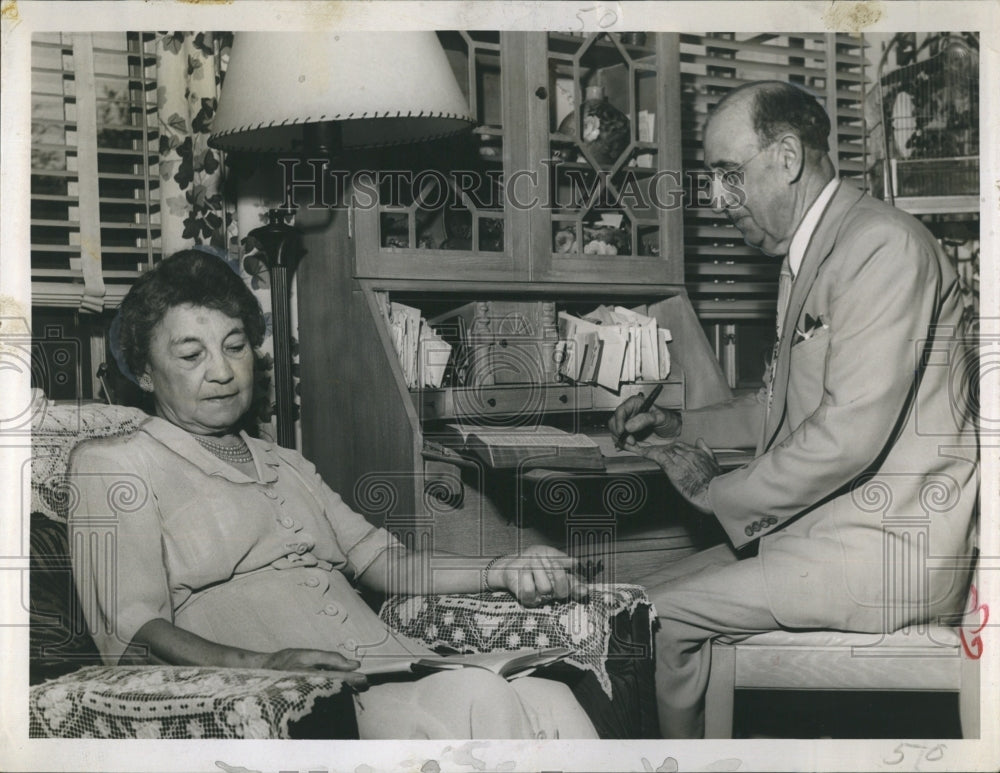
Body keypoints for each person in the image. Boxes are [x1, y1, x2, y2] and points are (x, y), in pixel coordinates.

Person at [69, 249, 598, 740]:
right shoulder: (113, 465)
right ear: (143, 371)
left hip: (395, 666)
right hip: (296, 700)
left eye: (235, 347)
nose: (223, 371)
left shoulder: (285, 462)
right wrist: (263, 665)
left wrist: (503, 567)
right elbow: (131, 633)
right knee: (474, 696)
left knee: (550, 698)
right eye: (191, 354)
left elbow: (383, 561)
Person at [609, 81, 978, 738]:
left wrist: (716, 492)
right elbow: (785, 412)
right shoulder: (817, 252)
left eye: (729, 175)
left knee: (647, 618)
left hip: (886, 553)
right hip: (826, 541)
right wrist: (679, 427)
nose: (719, 200)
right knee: (626, 596)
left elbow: (848, 434)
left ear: (785, 157)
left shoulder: (881, 246)